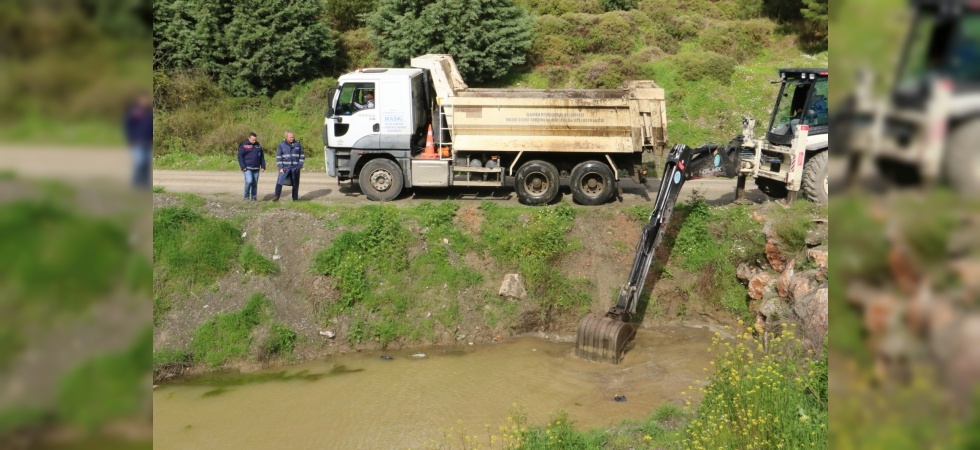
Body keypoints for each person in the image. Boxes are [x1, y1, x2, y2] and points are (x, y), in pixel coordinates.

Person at [124, 93, 153, 189]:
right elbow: (127, 126)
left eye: (147, 99)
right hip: (137, 141)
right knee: (139, 162)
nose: (145, 101)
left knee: (146, 164)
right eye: (143, 99)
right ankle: (135, 184)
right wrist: (130, 139)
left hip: (148, 142)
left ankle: (145, 184)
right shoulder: (134, 111)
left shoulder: (149, 111)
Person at [274, 130, 305, 201]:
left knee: (295, 184)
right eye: (290, 137)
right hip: (285, 168)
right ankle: (276, 196)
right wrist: (280, 167)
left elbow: (302, 156)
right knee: (279, 182)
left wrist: (299, 166)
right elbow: (278, 157)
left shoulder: (298, 145)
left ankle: (295, 199)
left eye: (293, 137)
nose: (292, 138)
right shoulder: (281, 145)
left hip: (295, 168)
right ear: (286, 137)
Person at [237, 132, 266, 201]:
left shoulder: (258, 146)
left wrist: (263, 166)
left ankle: (254, 198)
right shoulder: (244, 146)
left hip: (256, 168)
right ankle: (246, 196)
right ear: (249, 138)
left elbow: (261, 156)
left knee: (254, 183)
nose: (254, 141)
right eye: (252, 140)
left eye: (255, 140)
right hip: (247, 168)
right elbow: (240, 157)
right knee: (249, 181)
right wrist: (243, 166)